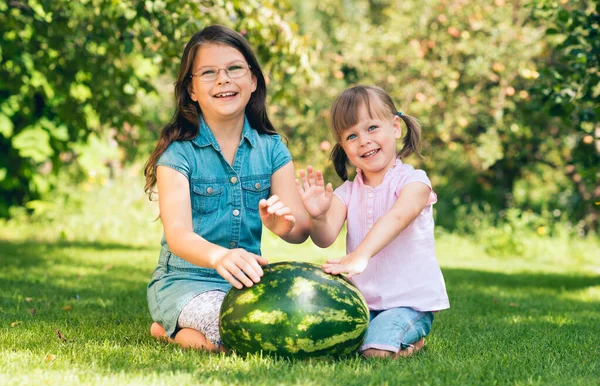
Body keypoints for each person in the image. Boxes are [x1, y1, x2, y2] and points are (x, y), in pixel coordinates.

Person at [143, 25, 309, 351]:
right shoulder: (177, 154)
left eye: (234, 68)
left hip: (247, 284)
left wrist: (283, 225)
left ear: (253, 80)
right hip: (185, 282)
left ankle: (172, 328)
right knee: (236, 336)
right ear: (191, 89)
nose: (223, 79)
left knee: (286, 327)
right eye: (208, 72)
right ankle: (169, 325)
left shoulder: (273, 149)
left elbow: (300, 229)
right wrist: (219, 256)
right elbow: (178, 235)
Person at [295, 85, 449, 358]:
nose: (364, 140)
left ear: (395, 128)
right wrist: (317, 216)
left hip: (408, 303)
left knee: (374, 353)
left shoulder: (414, 182)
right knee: (329, 344)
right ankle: (386, 335)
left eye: (372, 128)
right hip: (362, 304)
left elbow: (398, 216)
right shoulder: (346, 193)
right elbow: (325, 236)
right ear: (343, 147)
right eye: (351, 135)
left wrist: (360, 255)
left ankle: (411, 342)